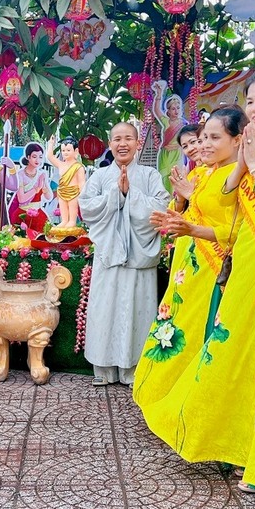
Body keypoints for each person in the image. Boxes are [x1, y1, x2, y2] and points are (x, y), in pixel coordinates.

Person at [139, 70, 255, 494]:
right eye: (250, 101)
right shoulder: (254, 146)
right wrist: (241, 164)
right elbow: (227, 205)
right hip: (245, 262)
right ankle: (234, 444)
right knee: (233, 351)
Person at [135, 108, 246, 410]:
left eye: (212, 137)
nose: (203, 145)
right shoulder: (204, 172)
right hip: (190, 263)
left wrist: (191, 223)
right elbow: (187, 212)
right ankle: (169, 392)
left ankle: (194, 401)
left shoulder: (241, 178)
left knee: (203, 331)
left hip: (216, 267)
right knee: (177, 326)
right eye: (201, 138)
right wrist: (178, 208)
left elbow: (241, 230)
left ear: (238, 140)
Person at [79, 122, 170, 386]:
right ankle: (104, 368)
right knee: (105, 308)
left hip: (138, 256)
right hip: (108, 256)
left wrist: (132, 194)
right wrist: (115, 195)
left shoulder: (150, 175)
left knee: (137, 308)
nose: (123, 144)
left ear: (137, 143)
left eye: (128, 138)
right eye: (117, 139)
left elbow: (161, 207)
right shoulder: (99, 176)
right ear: (110, 144)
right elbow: (86, 207)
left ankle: (134, 368)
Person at [3, 142, 51, 233]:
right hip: (23, 215)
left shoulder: (42, 174)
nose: (38, 160)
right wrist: (37, 188)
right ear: (28, 157)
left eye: (40, 157)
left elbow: (48, 197)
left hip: (39, 215)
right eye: (34, 156)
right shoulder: (20, 175)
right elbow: (21, 199)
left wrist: (44, 189)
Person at [47, 135, 87, 228]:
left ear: (75, 151)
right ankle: (64, 221)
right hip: (62, 192)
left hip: (74, 193)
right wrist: (51, 144)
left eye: (68, 150)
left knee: (72, 215)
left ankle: (71, 222)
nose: (65, 153)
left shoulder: (78, 167)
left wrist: (83, 195)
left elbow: (81, 182)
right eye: (63, 150)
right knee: (64, 213)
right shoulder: (61, 164)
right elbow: (50, 156)